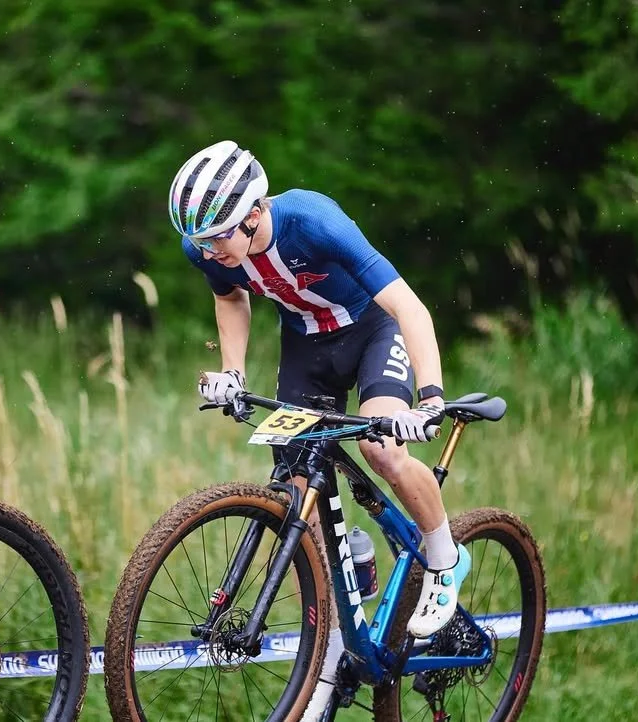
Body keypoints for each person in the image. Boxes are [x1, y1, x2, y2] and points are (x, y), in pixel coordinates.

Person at [172, 141, 471, 716]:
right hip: (306, 346)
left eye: (218, 238)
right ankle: (348, 585)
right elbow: (231, 297)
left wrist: (428, 399)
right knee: (294, 479)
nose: (208, 250)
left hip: (372, 332)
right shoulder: (206, 246)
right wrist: (235, 372)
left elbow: (411, 309)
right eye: (201, 242)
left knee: (381, 449)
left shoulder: (314, 221)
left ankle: (443, 557)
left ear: (255, 213)